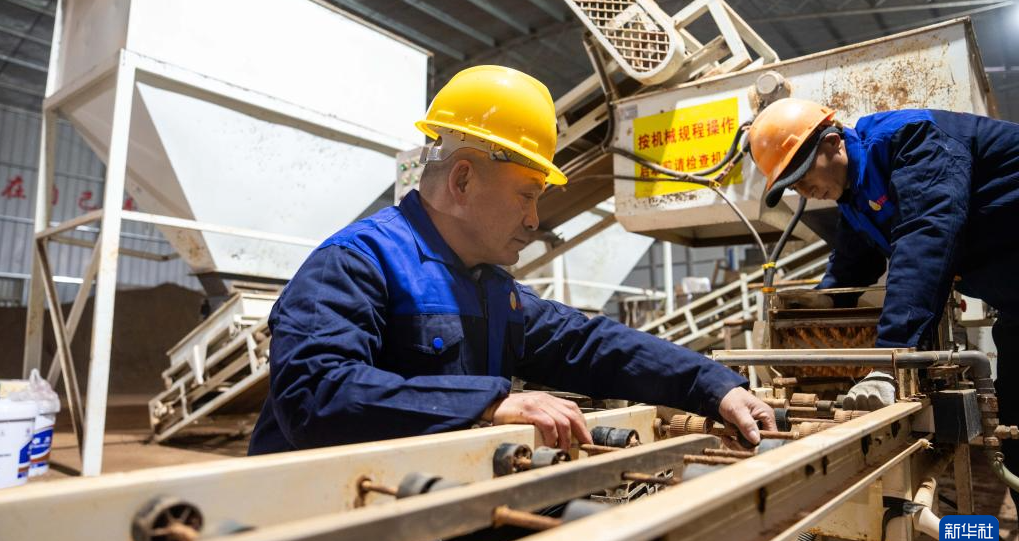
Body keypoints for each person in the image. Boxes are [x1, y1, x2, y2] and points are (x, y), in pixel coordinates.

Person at [248, 65, 773, 456]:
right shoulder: (354, 264)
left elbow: (586, 343)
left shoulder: (490, 287)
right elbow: (313, 395)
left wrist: (713, 384)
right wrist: (487, 402)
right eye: (526, 195)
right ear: (462, 180)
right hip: (320, 536)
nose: (534, 220)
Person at [746, 97, 1019, 493]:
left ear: (833, 141)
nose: (804, 189)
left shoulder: (912, 140)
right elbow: (853, 260)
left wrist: (889, 362)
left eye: (802, 173)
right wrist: (828, 299)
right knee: (1015, 431)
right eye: (793, 184)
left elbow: (925, 236)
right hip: (1014, 305)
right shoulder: (855, 196)